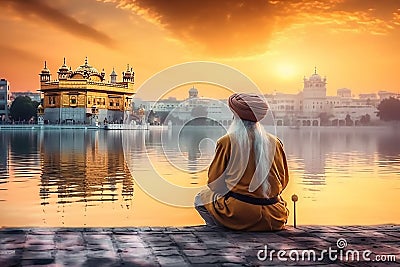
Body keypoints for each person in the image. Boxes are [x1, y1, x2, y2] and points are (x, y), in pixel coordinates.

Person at [194, 93, 289, 231]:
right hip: (274, 216)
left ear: (235, 117)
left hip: (239, 214)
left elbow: (215, 184)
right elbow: (284, 182)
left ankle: (220, 230)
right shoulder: (275, 142)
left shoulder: (226, 142)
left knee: (200, 198)